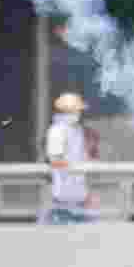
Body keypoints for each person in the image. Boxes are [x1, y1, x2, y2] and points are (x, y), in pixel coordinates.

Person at [44, 92, 98, 224]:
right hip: (63, 196)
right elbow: (54, 160)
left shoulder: (78, 130)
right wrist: (72, 168)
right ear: (66, 111)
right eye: (76, 111)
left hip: (80, 194)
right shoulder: (56, 131)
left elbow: (83, 158)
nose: (78, 114)